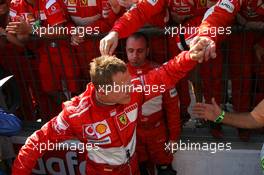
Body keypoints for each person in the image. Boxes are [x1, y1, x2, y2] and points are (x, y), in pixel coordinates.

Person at [12, 37, 210, 175]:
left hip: (133, 167)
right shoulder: (75, 114)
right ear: (102, 90)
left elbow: (165, 74)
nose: (129, 88)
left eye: (128, 81)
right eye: (122, 86)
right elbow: (35, 144)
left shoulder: (133, 90)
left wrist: (189, 56)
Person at [6, 0, 81, 118]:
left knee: (74, 89)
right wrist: (22, 33)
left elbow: (60, 31)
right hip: (42, 53)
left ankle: (77, 117)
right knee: (49, 89)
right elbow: (23, 39)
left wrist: (31, 30)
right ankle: (68, 114)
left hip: (64, 49)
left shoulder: (50, 2)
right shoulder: (15, 5)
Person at [126, 32, 180, 175]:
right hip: (133, 134)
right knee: (140, 170)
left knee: (165, 171)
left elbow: (173, 109)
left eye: (140, 51)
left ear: (148, 50)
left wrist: (174, 137)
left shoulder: (161, 73)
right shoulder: (119, 74)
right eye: (130, 51)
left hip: (158, 131)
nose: (135, 56)